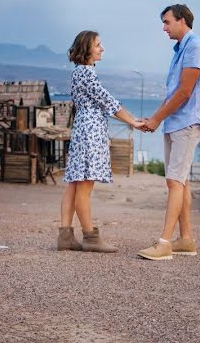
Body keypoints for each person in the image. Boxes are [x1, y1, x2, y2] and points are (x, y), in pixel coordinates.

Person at [137, 4, 200, 261]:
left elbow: (185, 91)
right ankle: (186, 239)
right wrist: (156, 118)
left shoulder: (195, 47)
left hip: (187, 122)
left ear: (182, 21)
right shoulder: (181, 49)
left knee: (174, 182)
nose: (164, 28)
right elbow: (173, 92)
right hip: (175, 122)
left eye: (167, 22)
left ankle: (164, 243)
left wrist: (158, 118)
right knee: (182, 180)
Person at [58, 30, 144, 253]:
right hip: (90, 132)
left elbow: (104, 103)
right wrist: (134, 122)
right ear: (87, 48)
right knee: (84, 187)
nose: (102, 48)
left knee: (74, 185)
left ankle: (65, 236)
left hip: (82, 129)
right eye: (98, 44)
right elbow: (110, 103)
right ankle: (91, 238)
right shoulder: (86, 74)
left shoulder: (79, 72)